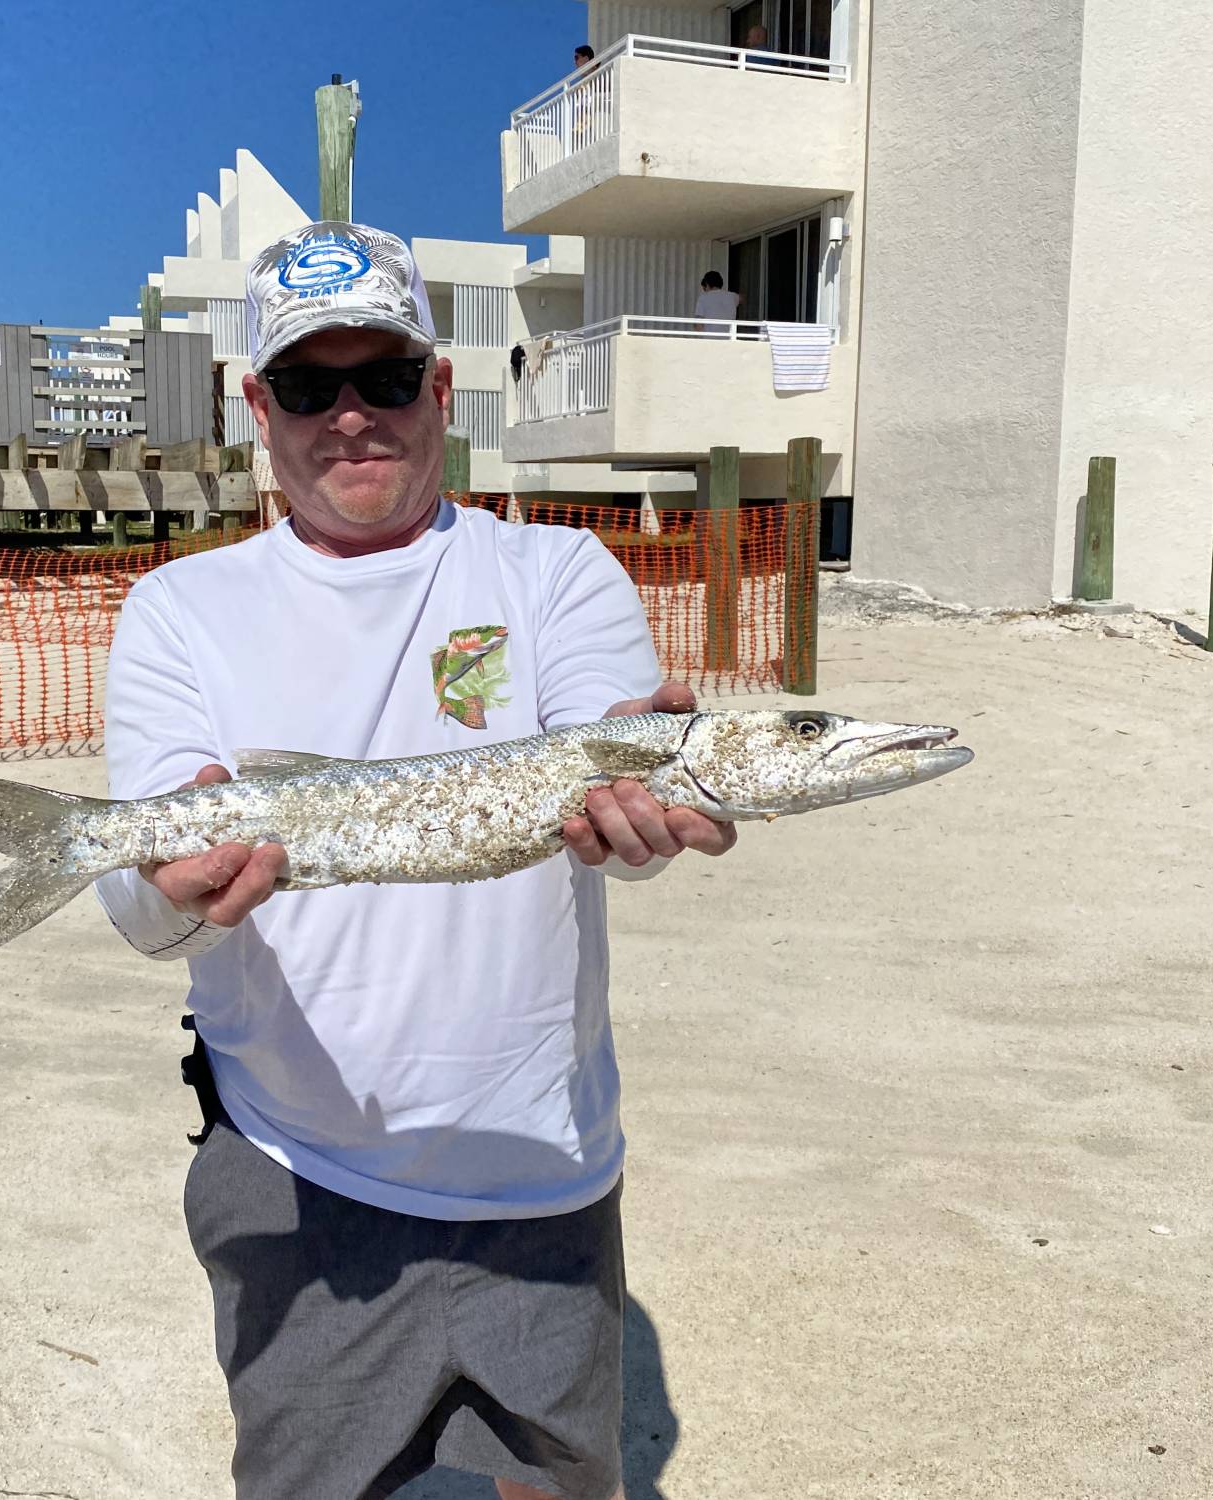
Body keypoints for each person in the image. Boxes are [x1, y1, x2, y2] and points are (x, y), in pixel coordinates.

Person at [95, 219, 737, 1500]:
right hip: (294, 1169)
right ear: (256, 405)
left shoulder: (556, 574)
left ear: (441, 389)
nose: (350, 418)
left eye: (384, 378)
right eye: (308, 384)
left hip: (542, 1167)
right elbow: (144, 909)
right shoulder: (180, 611)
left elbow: (617, 784)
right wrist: (164, 890)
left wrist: (653, 817)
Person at [695, 269, 743, 333]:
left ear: (707, 284)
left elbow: (699, 325)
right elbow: (742, 298)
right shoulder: (733, 296)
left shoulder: (703, 298)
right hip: (729, 338)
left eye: (704, 288)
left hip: (710, 338)